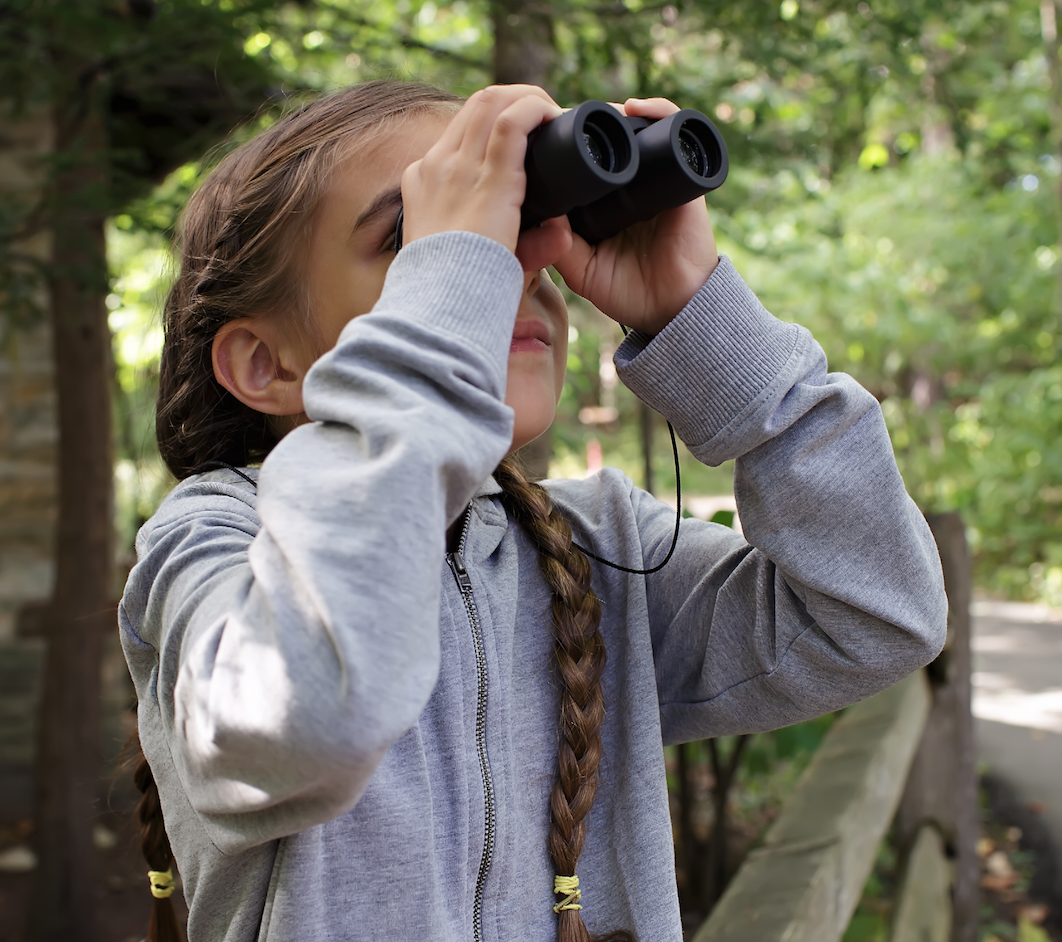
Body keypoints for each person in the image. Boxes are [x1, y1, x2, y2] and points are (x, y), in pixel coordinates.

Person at [119, 80, 947, 942]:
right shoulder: (210, 544)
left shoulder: (597, 547)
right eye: (419, 236)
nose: (501, 268)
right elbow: (315, 710)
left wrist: (706, 325)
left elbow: (877, 615)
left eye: (516, 222)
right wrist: (451, 297)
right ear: (264, 361)